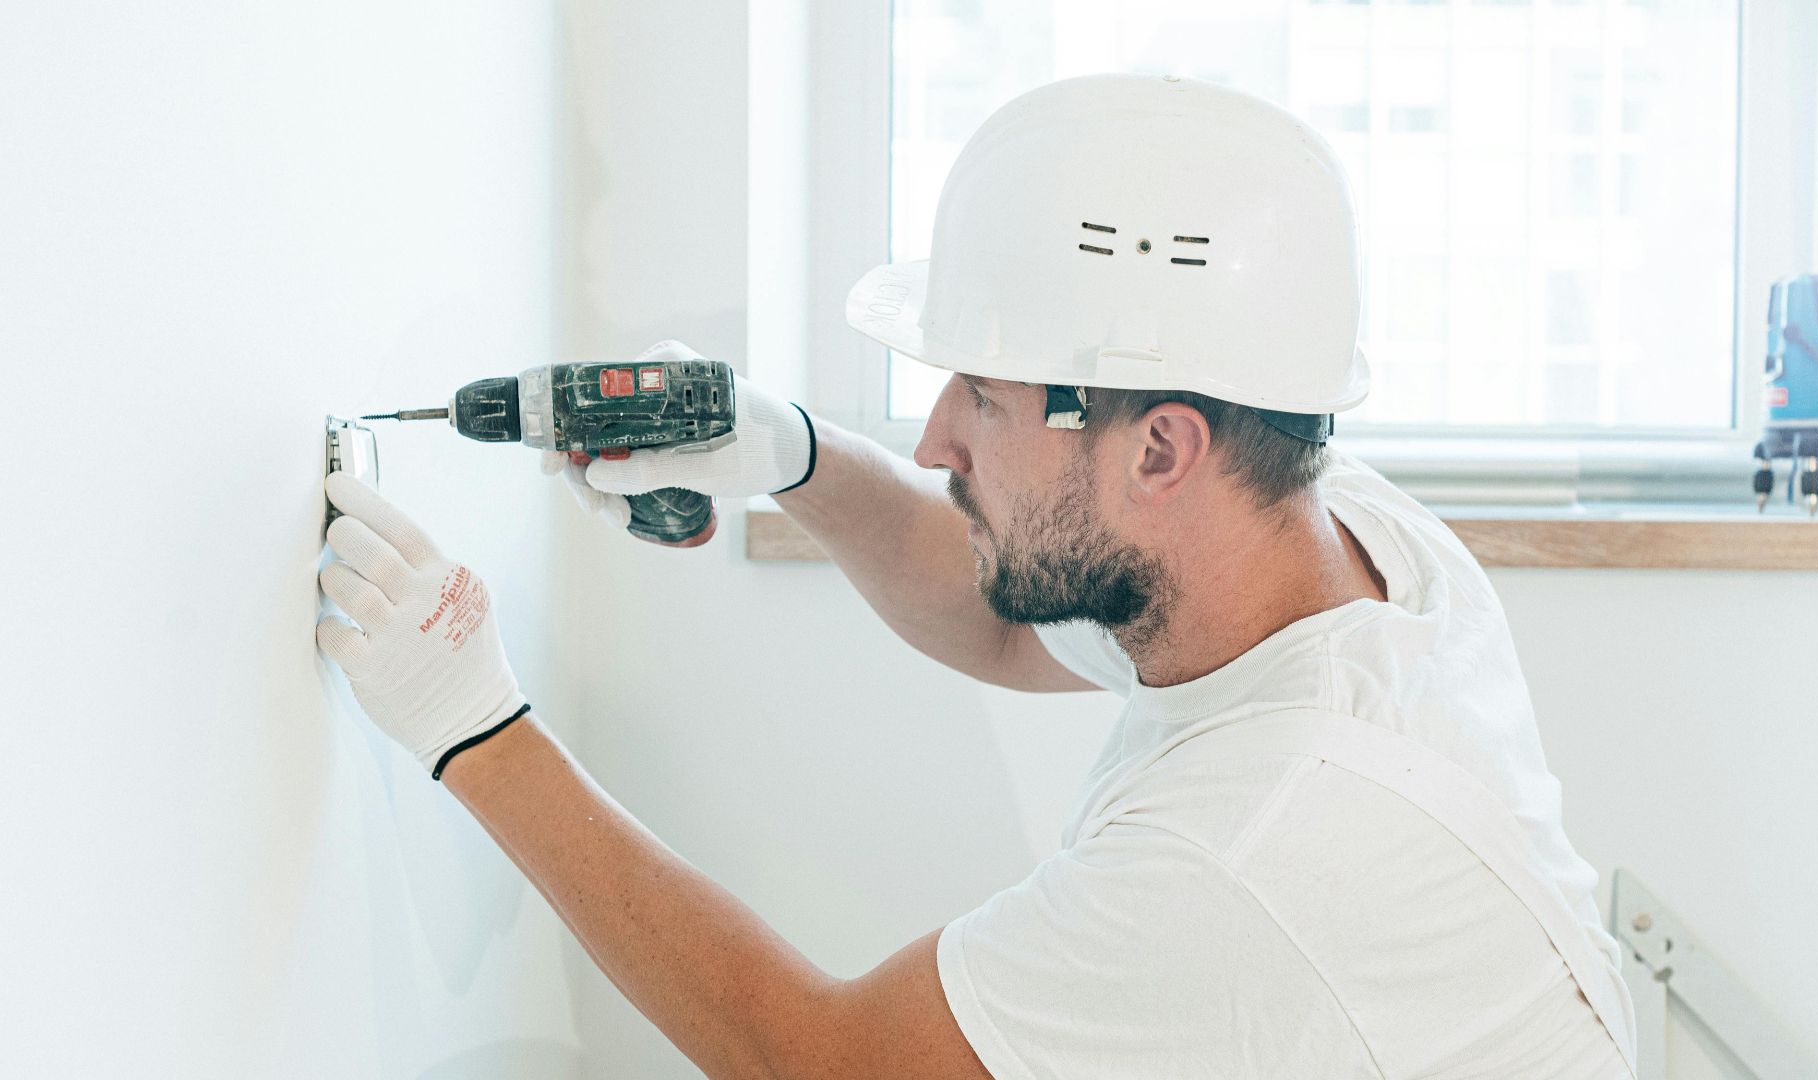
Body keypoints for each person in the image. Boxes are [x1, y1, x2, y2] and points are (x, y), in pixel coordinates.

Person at [318, 74, 1638, 1078]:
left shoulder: (1254, 851)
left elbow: (811, 1060)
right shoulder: (1331, 543)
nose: (938, 436)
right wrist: (792, 455)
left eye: (987, 398)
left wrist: (472, 728)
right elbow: (1007, 617)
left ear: (1161, 449)